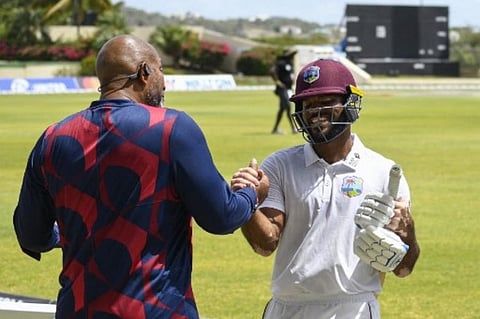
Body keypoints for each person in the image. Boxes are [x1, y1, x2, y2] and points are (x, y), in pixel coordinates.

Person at [13, 34, 268, 319]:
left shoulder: (52, 138)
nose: (164, 80)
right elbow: (222, 217)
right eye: (161, 70)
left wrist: (70, 234)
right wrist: (251, 193)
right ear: (145, 72)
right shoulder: (172, 128)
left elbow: (32, 236)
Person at [233, 59, 420, 319]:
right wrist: (247, 202)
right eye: (308, 105)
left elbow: (403, 269)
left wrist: (408, 235)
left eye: (326, 102)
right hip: (288, 307)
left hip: (353, 307)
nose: (315, 111)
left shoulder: (383, 172)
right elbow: (265, 245)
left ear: (349, 104)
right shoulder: (280, 165)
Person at [270, 48, 297, 134]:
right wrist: (277, 82)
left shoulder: (290, 64)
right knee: (288, 106)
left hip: (288, 89)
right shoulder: (280, 63)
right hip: (282, 89)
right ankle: (293, 128)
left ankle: (275, 129)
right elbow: (272, 71)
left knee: (282, 109)